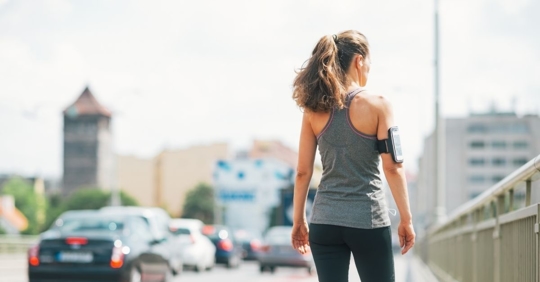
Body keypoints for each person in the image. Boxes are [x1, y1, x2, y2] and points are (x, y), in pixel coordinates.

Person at [290, 30, 415, 282]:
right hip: (368, 220)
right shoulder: (379, 105)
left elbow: (303, 172)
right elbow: (393, 168)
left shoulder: (313, 109)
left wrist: (299, 220)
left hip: (324, 222)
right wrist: (406, 219)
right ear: (359, 60)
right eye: (369, 63)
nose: (369, 69)